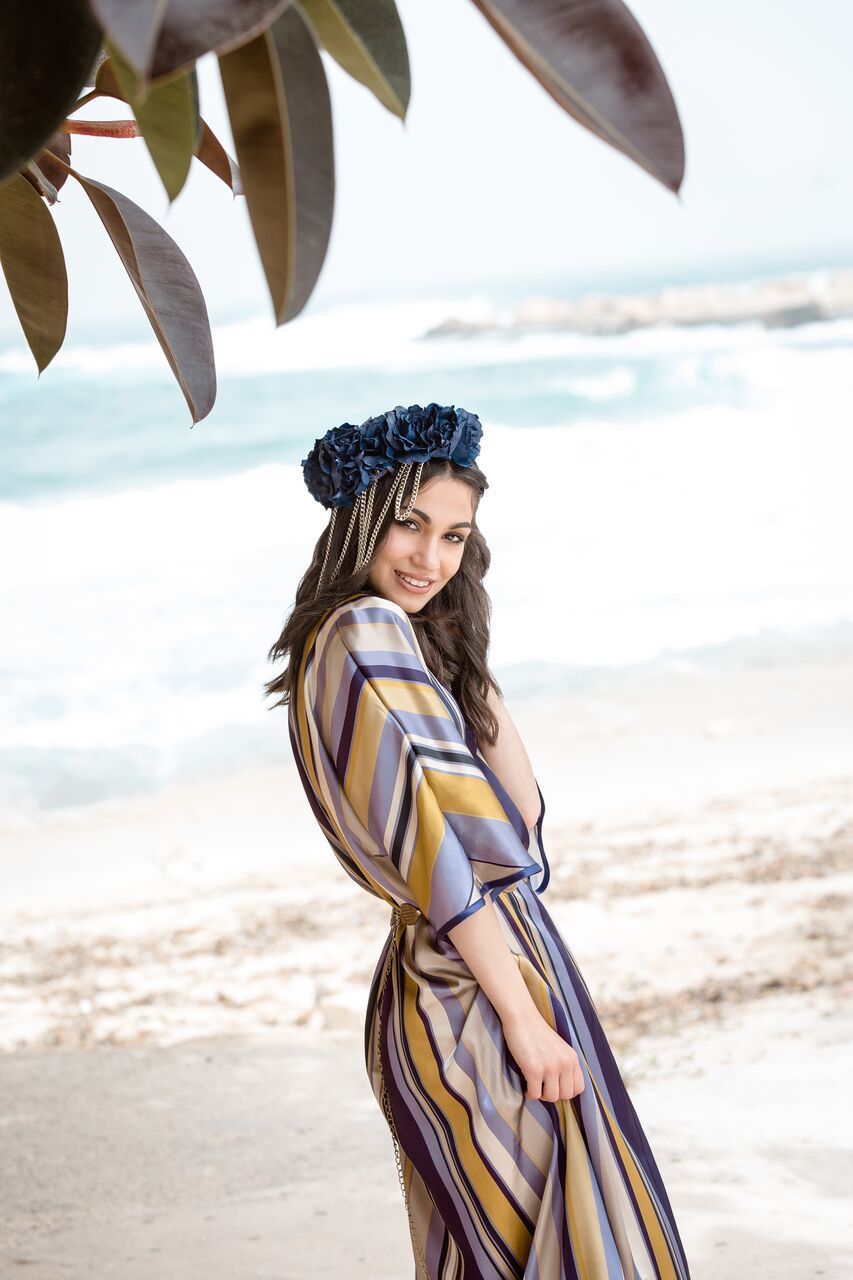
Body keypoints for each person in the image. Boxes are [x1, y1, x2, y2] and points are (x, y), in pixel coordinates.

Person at [265, 403, 692, 1280]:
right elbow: (447, 860)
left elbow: (520, 814)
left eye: (456, 538)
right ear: (360, 522)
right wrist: (524, 1022)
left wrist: (462, 641)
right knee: (576, 1253)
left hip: (476, 973)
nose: (430, 558)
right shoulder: (362, 633)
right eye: (408, 526)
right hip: (473, 988)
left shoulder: (375, 641)